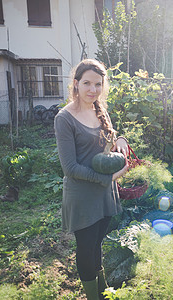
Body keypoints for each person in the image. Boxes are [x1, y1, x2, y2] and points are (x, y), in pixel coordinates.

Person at [54, 59, 129, 300]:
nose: (92, 90)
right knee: (86, 248)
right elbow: (70, 168)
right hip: (84, 195)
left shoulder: (100, 110)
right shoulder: (64, 118)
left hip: (104, 191)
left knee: (97, 243)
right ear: (76, 84)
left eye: (98, 84)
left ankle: (104, 290)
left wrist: (120, 141)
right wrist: (107, 179)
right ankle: (93, 296)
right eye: (86, 83)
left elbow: (108, 142)